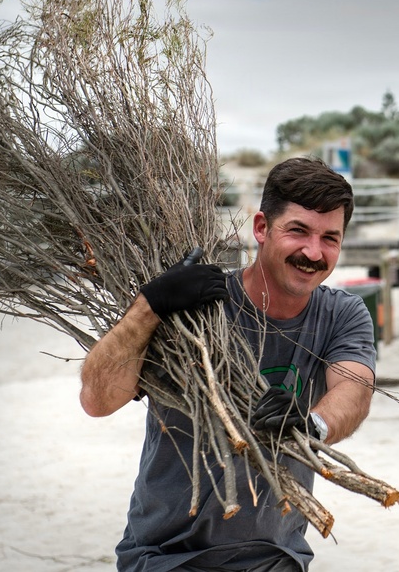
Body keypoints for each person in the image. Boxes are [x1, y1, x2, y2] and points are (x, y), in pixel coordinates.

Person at [79, 156, 377, 572]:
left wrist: (313, 425)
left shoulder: (342, 314)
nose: (314, 251)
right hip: (166, 557)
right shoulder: (195, 307)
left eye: (330, 238)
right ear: (261, 228)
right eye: (298, 231)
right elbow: (98, 400)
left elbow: (355, 388)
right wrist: (150, 306)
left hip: (275, 558)